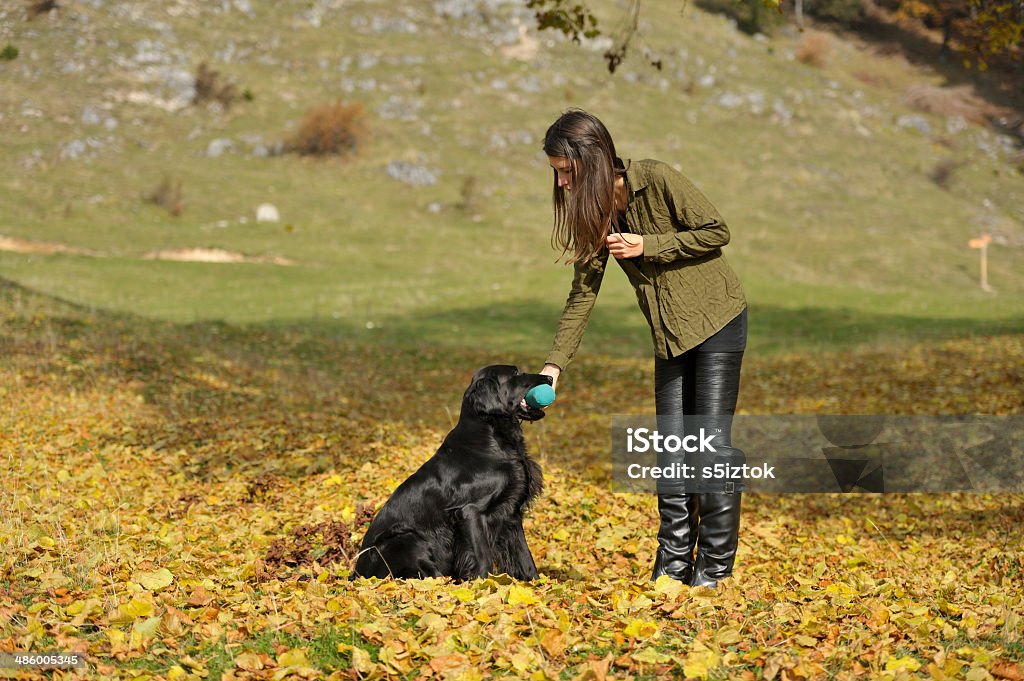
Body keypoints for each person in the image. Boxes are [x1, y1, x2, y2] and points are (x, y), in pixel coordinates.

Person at [537, 109, 748, 588]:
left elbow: (717, 232)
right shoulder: (594, 214)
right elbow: (582, 295)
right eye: (557, 175)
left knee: (708, 448)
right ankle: (673, 564)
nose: (563, 185)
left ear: (591, 162)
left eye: (566, 173)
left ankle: (713, 570)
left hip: (718, 322)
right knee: (672, 452)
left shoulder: (655, 177)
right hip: (671, 337)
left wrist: (647, 245)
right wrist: (553, 366)